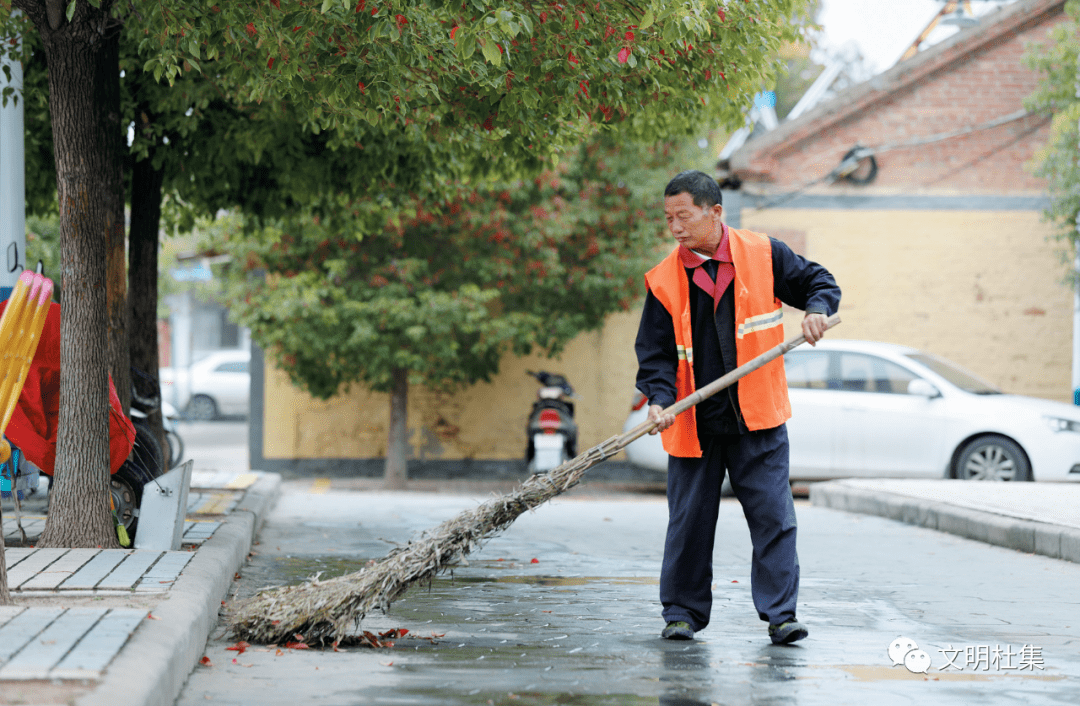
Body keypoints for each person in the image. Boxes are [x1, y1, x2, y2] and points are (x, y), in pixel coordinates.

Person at [635, 170, 840, 645]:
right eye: (669, 219)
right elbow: (656, 354)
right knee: (688, 523)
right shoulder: (665, 280)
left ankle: (781, 615)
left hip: (758, 418)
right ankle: (682, 612)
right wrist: (659, 401)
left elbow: (818, 281)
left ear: (715, 212)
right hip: (694, 421)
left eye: (683, 216)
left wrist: (815, 309)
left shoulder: (763, 255)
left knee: (773, 518)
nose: (675, 228)